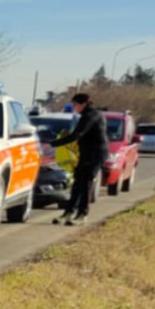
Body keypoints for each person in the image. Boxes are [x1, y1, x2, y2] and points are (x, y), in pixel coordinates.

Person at [50, 92, 107, 225]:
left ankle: (82, 214)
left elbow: (77, 134)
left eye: (75, 104)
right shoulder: (85, 115)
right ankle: (69, 212)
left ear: (84, 104)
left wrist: (54, 143)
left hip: (95, 154)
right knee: (77, 182)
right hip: (86, 153)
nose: (74, 107)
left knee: (85, 183)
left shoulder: (91, 115)